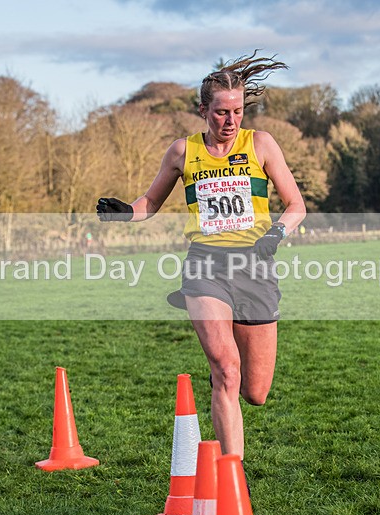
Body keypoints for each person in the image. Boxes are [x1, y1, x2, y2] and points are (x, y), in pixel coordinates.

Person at [97, 52, 306, 464]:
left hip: (256, 266)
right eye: (221, 112)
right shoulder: (182, 151)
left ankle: (229, 395)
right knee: (226, 368)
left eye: (238, 111)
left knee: (256, 391)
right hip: (205, 265)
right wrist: (126, 212)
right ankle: (233, 477)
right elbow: (150, 202)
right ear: (203, 110)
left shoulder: (260, 144)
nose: (231, 121)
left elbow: (296, 204)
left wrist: (276, 234)